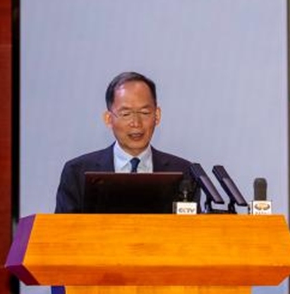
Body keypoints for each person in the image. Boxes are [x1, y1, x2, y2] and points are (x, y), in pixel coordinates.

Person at [55, 71, 194, 213]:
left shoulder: (184, 172)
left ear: (157, 116)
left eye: (144, 113)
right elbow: (63, 231)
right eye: (126, 114)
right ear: (108, 119)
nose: (136, 123)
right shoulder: (77, 172)